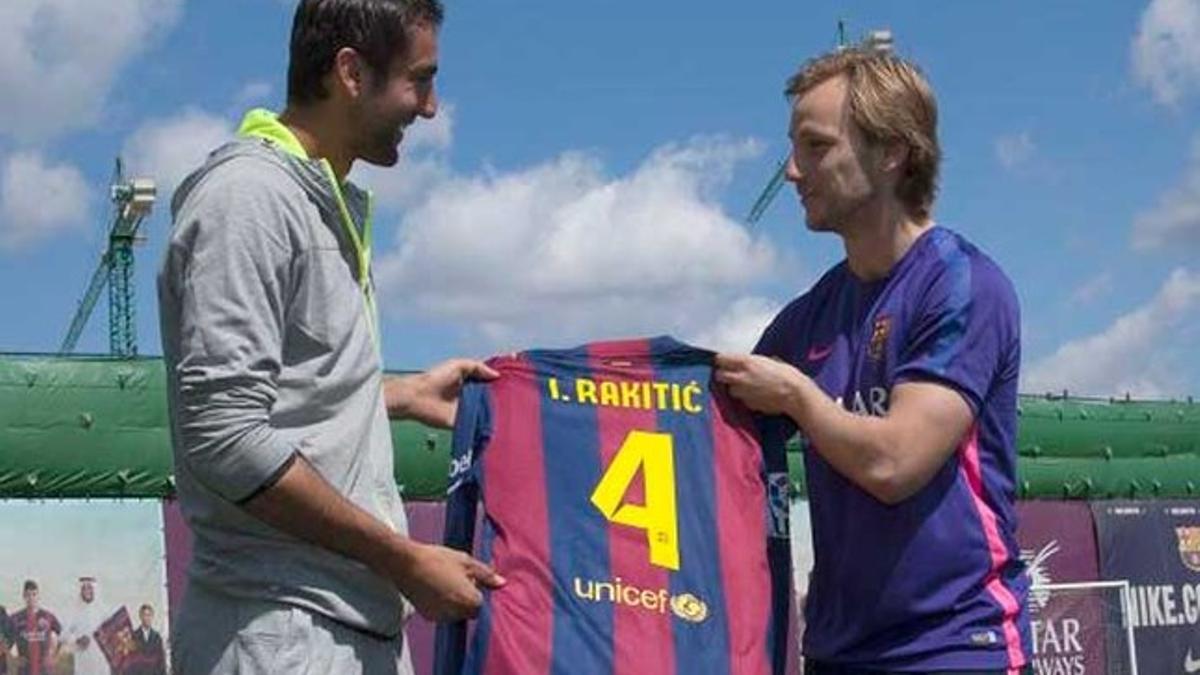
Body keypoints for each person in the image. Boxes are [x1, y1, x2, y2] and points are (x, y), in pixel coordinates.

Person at [157, 1, 504, 673]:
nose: (430, 108)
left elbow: (291, 394)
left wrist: (400, 394)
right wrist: (404, 559)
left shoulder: (320, 200)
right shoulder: (248, 200)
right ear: (350, 71)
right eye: (420, 79)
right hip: (280, 633)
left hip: (341, 626)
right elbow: (226, 437)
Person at [715, 47, 1031, 674]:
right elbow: (708, 425)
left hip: (953, 647)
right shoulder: (809, 316)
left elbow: (894, 462)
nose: (792, 172)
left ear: (891, 153)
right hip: (838, 652)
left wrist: (799, 397)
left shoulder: (962, 284)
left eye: (815, 146)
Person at [7, 581, 61, 675]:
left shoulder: (48, 616)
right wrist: (13, 659)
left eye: (34, 594)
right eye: (28, 595)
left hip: (45, 671)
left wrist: (55, 656)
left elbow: (64, 636)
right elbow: (5, 641)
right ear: (24, 596)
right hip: (25, 671)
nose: (31, 598)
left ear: (38, 596)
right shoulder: (15, 618)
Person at [62, 577, 110, 675]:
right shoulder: (73, 611)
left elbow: (111, 633)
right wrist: (76, 640)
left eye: (90, 588)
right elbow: (63, 635)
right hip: (82, 662)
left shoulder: (103, 610)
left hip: (101, 662)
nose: (87, 591)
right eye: (84, 588)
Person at [122, 605, 165, 675]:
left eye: (149, 615)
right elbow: (130, 661)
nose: (147, 618)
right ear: (141, 617)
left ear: (152, 617)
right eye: (145, 615)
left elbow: (161, 661)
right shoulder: (134, 636)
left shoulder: (157, 637)